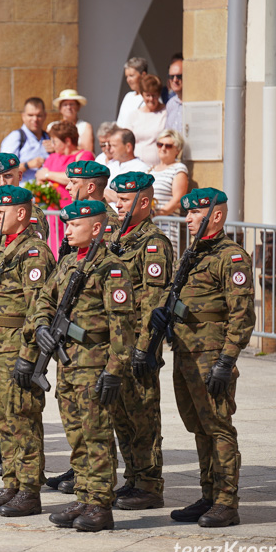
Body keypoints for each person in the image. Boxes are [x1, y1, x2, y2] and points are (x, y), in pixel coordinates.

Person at [25, 200, 135, 532]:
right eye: (67, 224)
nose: (68, 229)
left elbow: (122, 328)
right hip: (69, 365)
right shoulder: (69, 263)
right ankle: (85, 496)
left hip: (95, 365)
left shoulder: (112, 269)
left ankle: (100, 506)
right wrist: (42, 326)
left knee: (97, 436)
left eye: (75, 224)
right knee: (76, 436)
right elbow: (43, 299)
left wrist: (114, 371)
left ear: (98, 228)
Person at [150, 188, 254, 528]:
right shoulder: (192, 254)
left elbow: (242, 315)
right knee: (198, 426)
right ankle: (209, 494)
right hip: (185, 354)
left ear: (216, 215)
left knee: (218, 427)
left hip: (211, 356)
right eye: (188, 213)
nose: (189, 219)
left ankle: (227, 502)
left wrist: (226, 361)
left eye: (196, 213)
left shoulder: (231, 256)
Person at [0, 185, 55, 517]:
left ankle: (29, 490)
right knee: (4, 421)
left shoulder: (34, 252)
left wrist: (28, 355)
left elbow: (39, 310)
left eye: (2, 211)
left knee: (24, 420)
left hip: (17, 349)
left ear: (21, 213)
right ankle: (12, 485)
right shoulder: (0, 248)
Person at [108, 172, 174, 512]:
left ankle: (149, 484)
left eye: (123, 199)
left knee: (142, 414)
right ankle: (132, 478)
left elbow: (154, 301)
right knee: (121, 413)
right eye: (116, 198)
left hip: (137, 344)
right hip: (115, 344)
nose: (116, 203)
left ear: (144, 202)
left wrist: (145, 348)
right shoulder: (119, 236)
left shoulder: (153, 243)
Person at [35, 121, 95, 254]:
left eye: (55, 141)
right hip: (54, 215)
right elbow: (39, 176)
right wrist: (45, 180)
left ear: (67, 141)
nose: (53, 145)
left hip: (75, 214)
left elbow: (75, 177)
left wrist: (49, 175)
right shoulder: (53, 157)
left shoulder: (84, 156)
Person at [0, 153, 50, 241]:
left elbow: (33, 249)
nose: (2, 183)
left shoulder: (29, 213)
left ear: (20, 176)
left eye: (8, 176)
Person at [149, 129, 189, 254]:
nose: (163, 148)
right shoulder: (150, 170)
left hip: (167, 226)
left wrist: (158, 214)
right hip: (149, 226)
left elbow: (178, 200)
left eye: (168, 145)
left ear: (177, 150)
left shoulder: (179, 169)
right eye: (160, 144)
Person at [0, 97, 50, 183]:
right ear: (23, 116)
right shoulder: (15, 137)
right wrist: (28, 165)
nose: (35, 119)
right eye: (30, 115)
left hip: (46, 194)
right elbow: (4, 170)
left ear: (45, 116)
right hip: (22, 194)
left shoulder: (49, 138)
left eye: (39, 115)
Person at [126, 75, 167, 167]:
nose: (151, 99)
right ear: (142, 94)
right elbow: (126, 141)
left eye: (154, 95)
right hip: (137, 168)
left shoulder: (166, 113)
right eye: (148, 95)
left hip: (158, 167)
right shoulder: (134, 115)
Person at [105, 129, 149, 197]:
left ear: (128, 147)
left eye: (114, 146)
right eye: (110, 146)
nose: (110, 150)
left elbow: (133, 199)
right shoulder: (110, 166)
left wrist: (108, 194)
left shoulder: (141, 169)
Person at [117, 57, 148, 129]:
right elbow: (120, 123)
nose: (128, 80)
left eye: (131, 76)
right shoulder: (128, 96)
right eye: (126, 77)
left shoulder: (151, 98)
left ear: (143, 75)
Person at [165, 55, 183, 132]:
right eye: (172, 77)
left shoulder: (194, 104)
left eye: (179, 76)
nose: (175, 80)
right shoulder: (170, 104)